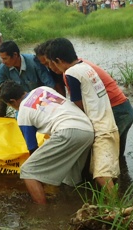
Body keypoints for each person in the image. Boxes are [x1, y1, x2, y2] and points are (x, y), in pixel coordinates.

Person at [0, 80, 94, 204]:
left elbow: (33, 149)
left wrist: (40, 174)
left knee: (28, 170)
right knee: (70, 179)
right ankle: (79, 204)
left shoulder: (23, 113)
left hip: (67, 132)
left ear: (12, 101)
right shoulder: (43, 89)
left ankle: (42, 212)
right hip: (87, 129)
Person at [46, 37, 119, 192]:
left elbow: (78, 104)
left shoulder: (71, 73)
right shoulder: (86, 67)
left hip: (101, 129)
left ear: (58, 60)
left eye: (52, 63)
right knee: (104, 170)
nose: (52, 67)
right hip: (108, 123)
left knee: (101, 175)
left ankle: (116, 207)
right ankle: (114, 203)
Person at [0, 41, 55, 129]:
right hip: (23, 106)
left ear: (15, 55)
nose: (3, 62)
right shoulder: (4, 68)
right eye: (2, 59)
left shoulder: (34, 62)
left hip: (42, 102)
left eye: (5, 58)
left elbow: (50, 86)